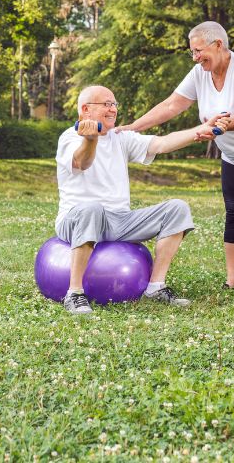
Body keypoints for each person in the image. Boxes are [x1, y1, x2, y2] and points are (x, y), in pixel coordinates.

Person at [115, 21, 234, 294]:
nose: (195, 57)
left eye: (199, 50)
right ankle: (232, 279)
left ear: (218, 45)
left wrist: (218, 127)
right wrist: (132, 127)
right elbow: (171, 105)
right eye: (192, 52)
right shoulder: (199, 74)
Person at [55, 84, 215, 314]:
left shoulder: (121, 138)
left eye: (114, 104)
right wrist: (90, 140)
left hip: (119, 220)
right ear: (86, 109)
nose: (112, 109)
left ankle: (155, 287)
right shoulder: (70, 137)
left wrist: (200, 129)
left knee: (177, 209)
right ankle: (75, 293)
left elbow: (161, 143)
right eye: (106, 104)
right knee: (92, 208)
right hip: (78, 219)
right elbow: (82, 163)